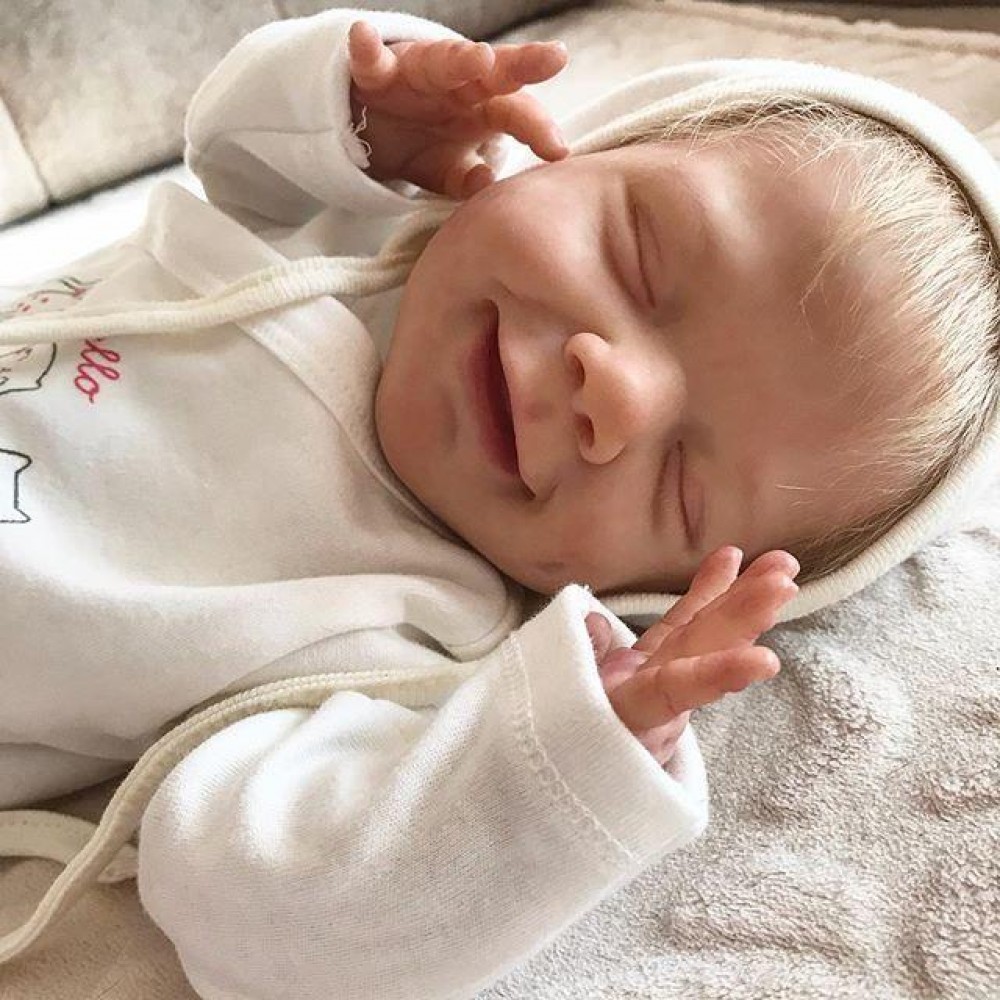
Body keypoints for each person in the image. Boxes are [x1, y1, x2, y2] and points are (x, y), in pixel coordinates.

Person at [0, 8, 997, 1000]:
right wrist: (367, 111)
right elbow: (232, 145)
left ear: (652, 589)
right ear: (584, 152)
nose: (614, 395)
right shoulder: (355, 222)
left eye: (680, 484)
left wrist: (549, 764)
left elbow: (253, 912)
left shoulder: (410, 633)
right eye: (638, 256)